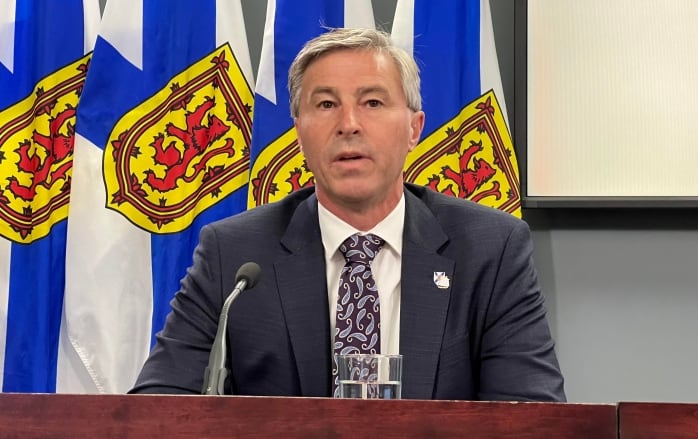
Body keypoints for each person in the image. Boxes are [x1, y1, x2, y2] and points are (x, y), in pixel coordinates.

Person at [130, 28, 565, 401]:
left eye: (373, 103)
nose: (349, 124)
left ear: (414, 128)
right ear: (299, 130)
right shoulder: (236, 255)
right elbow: (160, 406)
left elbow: (530, 414)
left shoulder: (491, 248)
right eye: (325, 105)